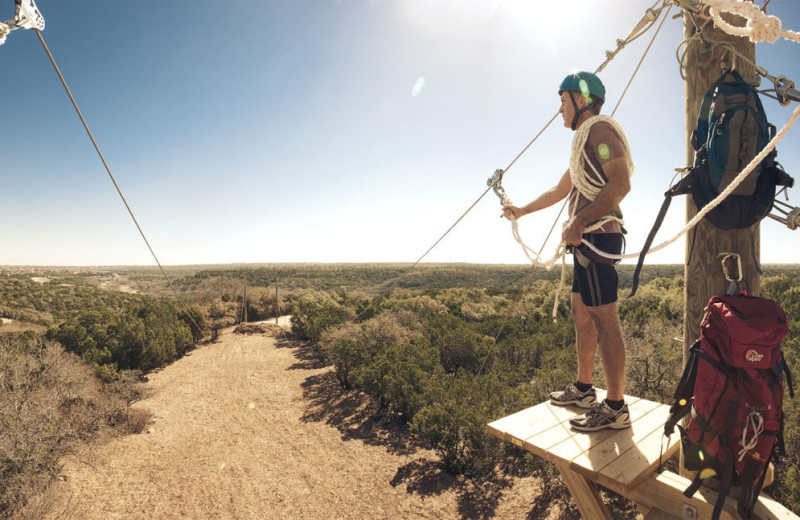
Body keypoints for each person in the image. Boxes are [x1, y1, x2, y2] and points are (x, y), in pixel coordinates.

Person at [502, 71, 633, 432]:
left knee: (605, 318)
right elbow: (562, 191)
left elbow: (621, 183)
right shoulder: (583, 146)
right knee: (581, 312)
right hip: (585, 239)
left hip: (596, 238)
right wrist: (522, 210)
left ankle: (616, 406)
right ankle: (584, 389)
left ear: (581, 101)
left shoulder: (601, 133)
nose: (560, 109)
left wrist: (578, 223)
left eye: (563, 101)